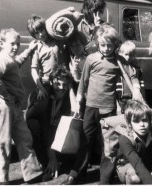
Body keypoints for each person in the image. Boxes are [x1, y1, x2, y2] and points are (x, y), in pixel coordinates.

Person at [62, 24, 121, 185]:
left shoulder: (118, 61)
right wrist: (80, 97)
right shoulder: (91, 58)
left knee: (107, 144)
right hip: (90, 107)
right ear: (97, 43)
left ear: (115, 44)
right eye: (103, 45)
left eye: (110, 45)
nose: (107, 48)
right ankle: (77, 174)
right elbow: (83, 81)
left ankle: (106, 178)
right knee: (85, 140)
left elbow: (131, 73)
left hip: (108, 109)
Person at [0, 28, 43, 185]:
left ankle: (32, 173)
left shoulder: (9, 59)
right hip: (5, 106)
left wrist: (29, 50)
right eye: (12, 44)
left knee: (24, 138)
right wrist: (6, 94)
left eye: (18, 44)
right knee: (3, 142)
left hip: (14, 106)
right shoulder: (2, 60)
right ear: (1, 43)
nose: (16, 47)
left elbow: (17, 62)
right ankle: (0, 179)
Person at [25, 65, 74, 180]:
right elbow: (44, 126)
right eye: (58, 84)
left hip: (53, 128)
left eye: (65, 85)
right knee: (36, 128)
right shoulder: (44, 96)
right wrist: (52, 157)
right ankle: (43, 163)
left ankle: (55, 162)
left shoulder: (67, 98)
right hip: (38, 128)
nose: (61, 88)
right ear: (51, 82)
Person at [117, 100, 152, 184]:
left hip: (146, 163)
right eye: (136, 121)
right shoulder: (124, 139)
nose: (142, 125)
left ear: (150, 121)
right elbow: (137, 164)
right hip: (128, 165)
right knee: (135, 177)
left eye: (144, 120)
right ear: (129, 124)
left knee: (148, 175)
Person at [27, 15, 69, 104]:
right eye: (37, 33)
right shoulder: (36, 47)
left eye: (41, 30)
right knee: (43, 105)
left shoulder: (57, 39)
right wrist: (41, 88)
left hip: (62, 81)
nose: (41, 34)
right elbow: (34, 70)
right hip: (47, 82)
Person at [117, 40, 144, 114]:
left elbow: (141, 84)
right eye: (126, 54)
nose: (128, 57)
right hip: (121, 99)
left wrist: (140, 95)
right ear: (120, 53)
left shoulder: (137, 69)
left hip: (133, 98)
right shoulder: (117, 69)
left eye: (131, 55)